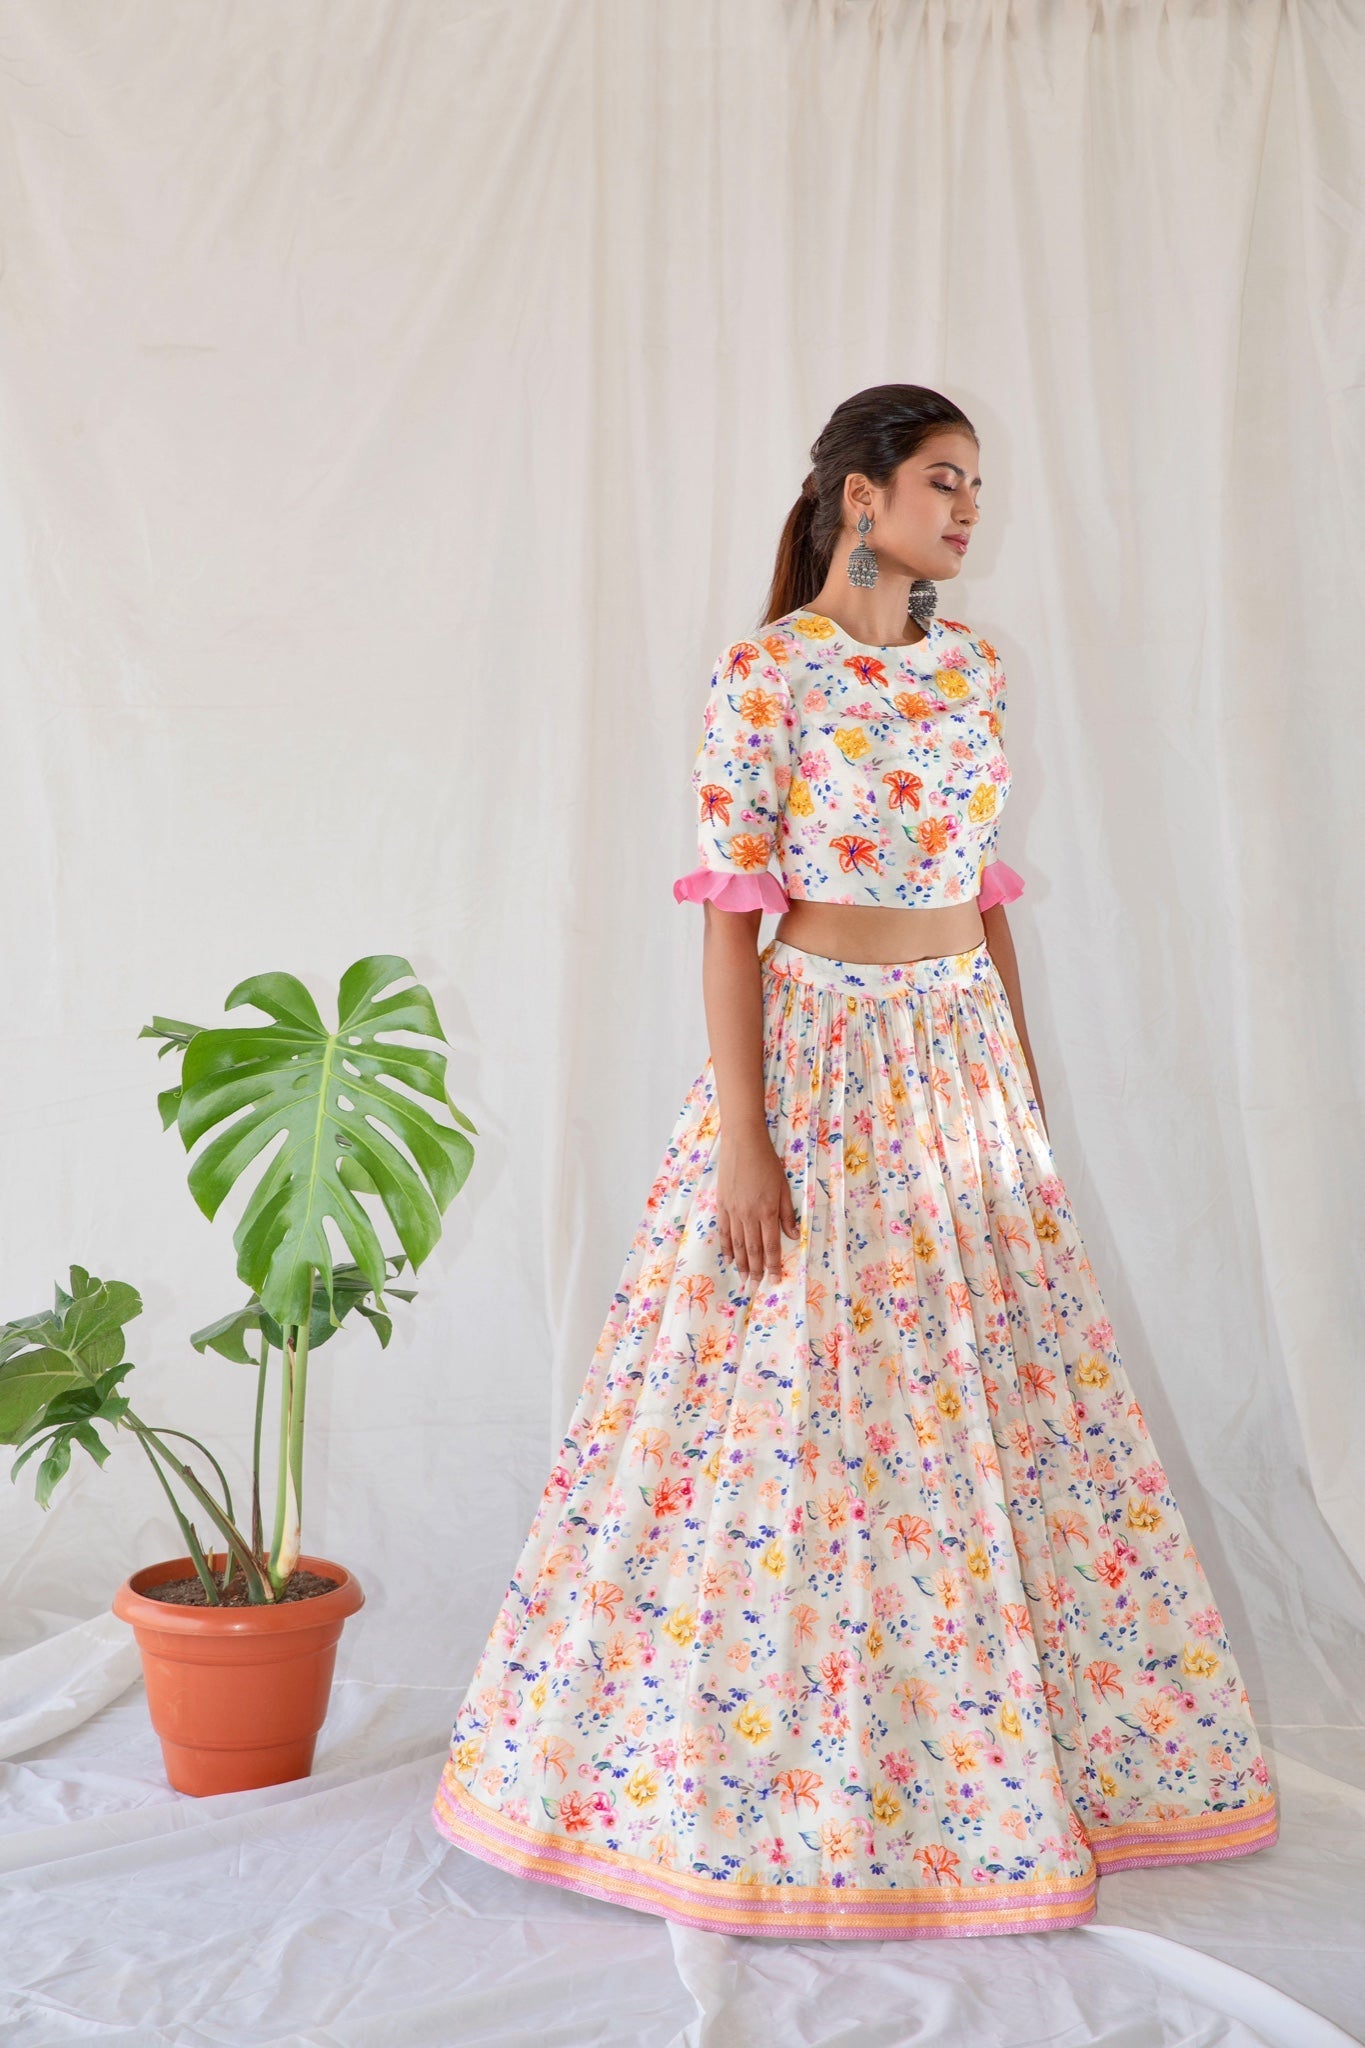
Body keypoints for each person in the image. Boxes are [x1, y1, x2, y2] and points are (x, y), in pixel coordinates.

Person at [430, 383, 1278, 1939]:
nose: (967, 510)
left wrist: (1016, 1092)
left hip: (956, 1062)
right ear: (857, 496)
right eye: (943, 481)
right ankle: (765, 1776)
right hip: (819, 1064)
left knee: (987, 1410)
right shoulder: (766, 673)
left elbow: (983, 893)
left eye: (975, 486)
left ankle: (991, 1765)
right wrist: (743, 1141)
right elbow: (729, 921)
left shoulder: (972, 669)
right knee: (794, 1412)